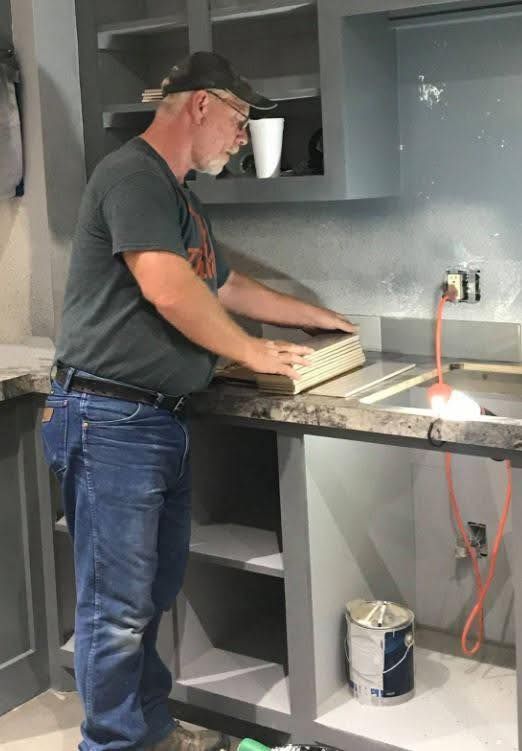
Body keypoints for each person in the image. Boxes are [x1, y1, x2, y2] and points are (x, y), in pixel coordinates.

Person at [41, 51, 356, 751]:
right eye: (240, 118)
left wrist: (309, 315)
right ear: (201, 105)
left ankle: (147, 730)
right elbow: (169, 288)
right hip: (109, 416)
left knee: (147, 596)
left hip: (152, 420)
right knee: (116, 610)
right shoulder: (129, 175)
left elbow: (223, 284)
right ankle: (115, 743)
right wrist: (252, 350)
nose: (242, 135)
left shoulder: (177, 197)